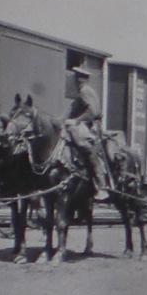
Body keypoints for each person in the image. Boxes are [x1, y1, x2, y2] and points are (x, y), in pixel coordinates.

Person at [63, 66, 110, 200]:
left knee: (88, 149)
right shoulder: (81, 93)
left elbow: (93, 112)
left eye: (76, 78)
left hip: (89, 128)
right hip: (83, 126)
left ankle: (101, 186)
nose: (74, 80)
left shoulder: (85, 91)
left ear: (80, 79)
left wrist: (76, 121)